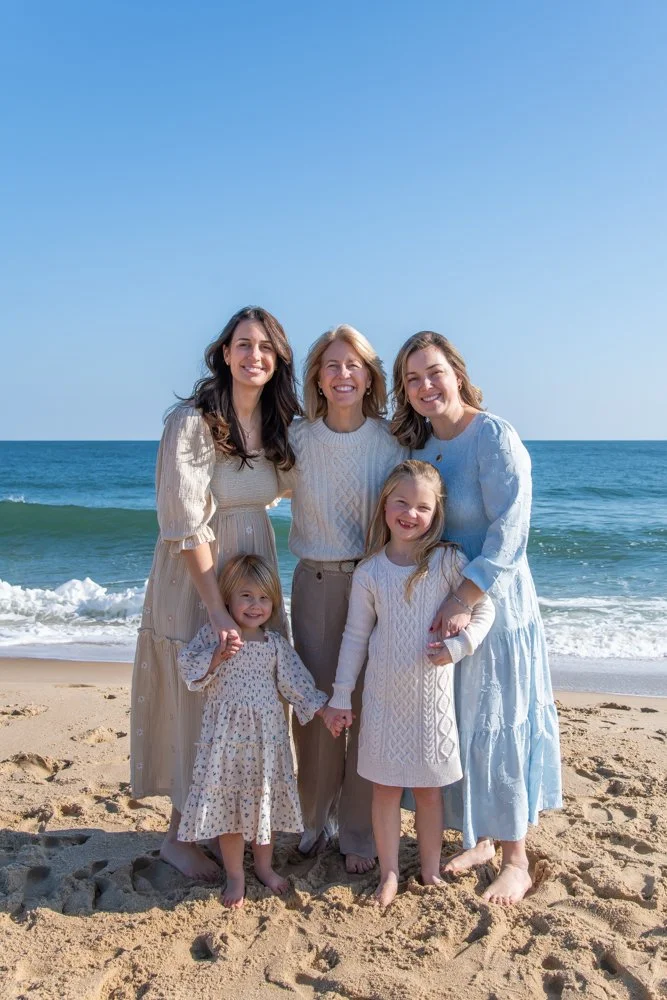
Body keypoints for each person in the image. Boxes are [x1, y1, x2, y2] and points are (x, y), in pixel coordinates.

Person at [391, 331, 562, 905]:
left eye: (433, 372)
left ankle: (515, 857)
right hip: (443, 607)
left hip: (493, 605)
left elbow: (510, 531)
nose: (425, 386)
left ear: (457, 373)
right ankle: (481, 839)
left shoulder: (493, 435)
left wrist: (463, 598)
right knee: (458, 725)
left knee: (497, 721)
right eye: (412, 379)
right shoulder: (419, 443)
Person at [131, 306, 301, 879]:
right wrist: (213, 607)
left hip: (252, 560)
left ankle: (235, 825)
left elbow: (298, 484)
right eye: (243, 344)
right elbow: (184, 521)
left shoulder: (276, 425)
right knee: (199, 691)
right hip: (198, 571)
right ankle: (180, 836)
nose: (254, 356)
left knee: (246, 695)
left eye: (265, 348)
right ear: (224, 353)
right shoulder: (194, 421)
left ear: (277, 361)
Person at [322, 461, 495, 906]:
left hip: (429, 704)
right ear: (384, 506)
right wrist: (341, 697)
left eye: (422, 506)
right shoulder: (370, 572)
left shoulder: (447, 562)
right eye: (401, 502)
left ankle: (431, 871)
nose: (410, 513)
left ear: (436, 514)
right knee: (384, 789)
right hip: (382, 701)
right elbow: (355, 637)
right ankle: (390, 873)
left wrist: (459, 648)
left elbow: (485, 611)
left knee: (429, 790)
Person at [281, 325, 407, 874]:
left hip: (378, 583)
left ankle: (358, 830)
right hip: (316, 583)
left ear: (370, 375)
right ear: (317, 377)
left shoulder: (390, 440)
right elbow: (252, 482)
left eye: (353, 365)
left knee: (368, 710)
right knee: (315, 708)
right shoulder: (298, 437)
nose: (343, 374)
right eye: (331, 365)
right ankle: (314, 820)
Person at [176, 554, 329, 908]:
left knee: (264, 808)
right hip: (226, 746)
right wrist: (217, 656)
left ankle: (263, 866)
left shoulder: (274, 644)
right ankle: (235, 875)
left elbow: (298, 685)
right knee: (229, 811)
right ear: (227, 598)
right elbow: (190, 671)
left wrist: (324, 712)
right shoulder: (216, 637)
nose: (255, 605)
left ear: (274, 602)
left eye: (263, 598)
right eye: (246, 596)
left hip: (266, 744)